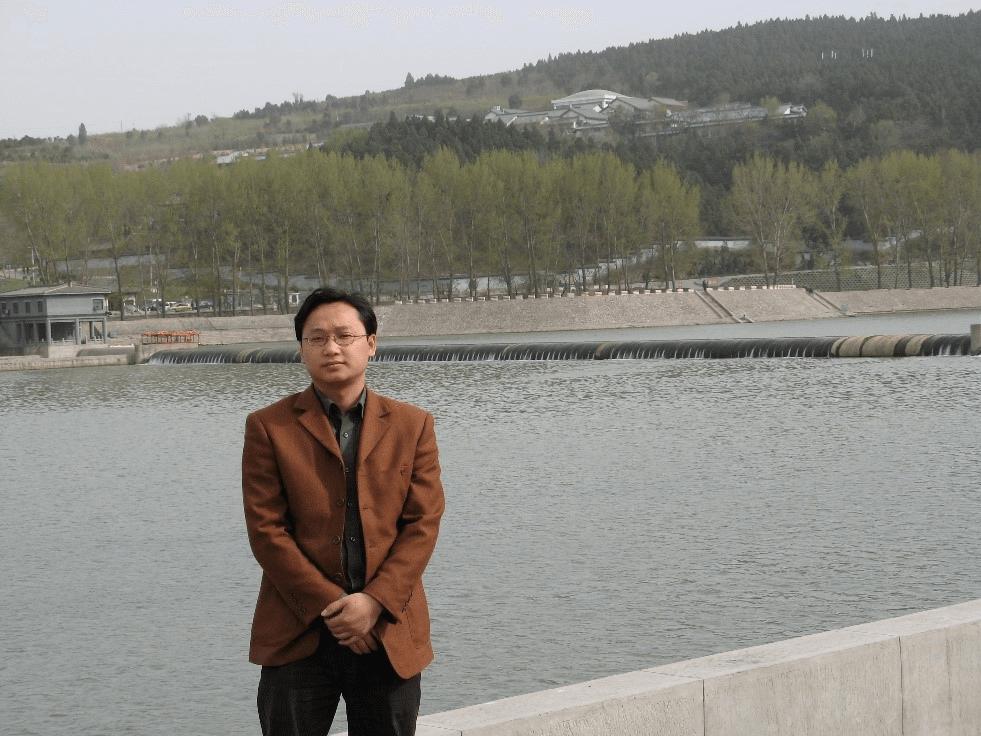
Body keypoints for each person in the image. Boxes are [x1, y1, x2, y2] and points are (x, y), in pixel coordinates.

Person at [242, 287, 445, 736]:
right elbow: (267, 531)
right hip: (298, 632)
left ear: (370, 343)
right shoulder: (269, 427)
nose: (331, 348)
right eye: (316, 338)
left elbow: (422, 524)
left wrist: (373, 603)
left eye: (344, 336)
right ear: (301, 350)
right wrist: (335, 608)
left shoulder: (413, 425)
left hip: (387, 631)